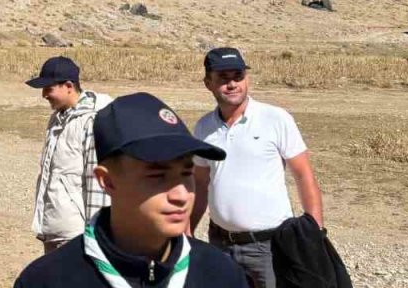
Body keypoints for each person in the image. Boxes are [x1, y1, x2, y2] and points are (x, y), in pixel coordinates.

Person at [13, 93, 248, 287]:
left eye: (186, 173)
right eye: (157, 175)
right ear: (107, 181)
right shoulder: (46, 280)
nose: (181, 195)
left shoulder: (222, 275)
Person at [190, 48, 325, 288]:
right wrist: (187, 230)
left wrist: (315, 234)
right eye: (223, 77)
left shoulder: (276, 119)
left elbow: (304, 176)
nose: (232, 84)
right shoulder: (203, 128)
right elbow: (200, 184)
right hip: (219, 243)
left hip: (270, 247)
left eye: (238, 76)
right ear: (208, 83)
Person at [27, 57, 113, 254]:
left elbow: (96, 185)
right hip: (53, 228)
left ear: (68, 86)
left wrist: (95, 238)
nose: (43, 95)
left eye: (48, 88)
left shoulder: (91, 122)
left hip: (75, 235)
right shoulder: (57, 118)